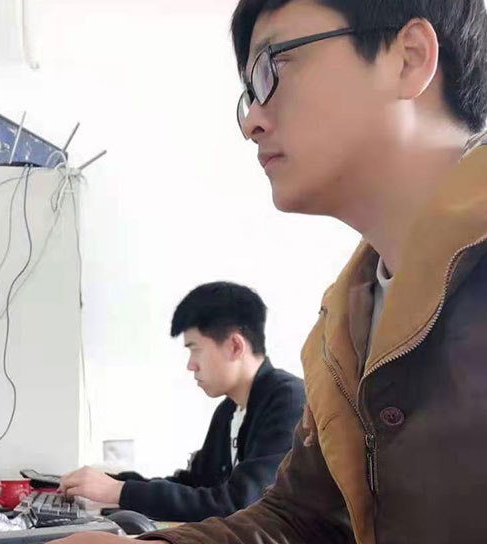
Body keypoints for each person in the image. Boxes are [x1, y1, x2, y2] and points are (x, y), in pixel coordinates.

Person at [53, 0, 487, 542]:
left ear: (409, 58)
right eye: (249, 93)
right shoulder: (342, 332)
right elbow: (300, 520)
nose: (251, 122)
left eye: (272, 68)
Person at [58, 282, 304, 521]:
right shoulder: (229, 410)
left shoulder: (289, 401)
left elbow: (240, 504)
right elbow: (195, 485)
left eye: (195, 349)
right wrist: (114, 482)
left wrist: (119, 491)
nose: (191, 365)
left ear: (234, 346)